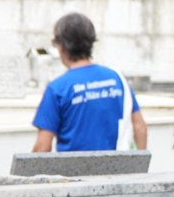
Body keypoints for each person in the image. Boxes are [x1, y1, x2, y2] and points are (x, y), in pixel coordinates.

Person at [32, 12, 148, 153]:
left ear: (62, 46)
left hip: (73, 167)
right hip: (117, 166)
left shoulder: (58, 88)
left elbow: (43, 147)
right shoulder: (117, 78)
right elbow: (140, 127)